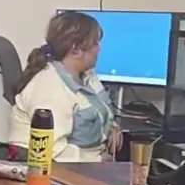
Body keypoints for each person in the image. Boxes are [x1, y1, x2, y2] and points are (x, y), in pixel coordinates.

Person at [8, 11, 121, 162]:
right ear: (76, 49)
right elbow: (54, 151)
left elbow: (101, 107)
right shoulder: (49, 88)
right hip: (53, 167)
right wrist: (99, 160)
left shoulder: (87, 76)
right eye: (95, 44)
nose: (99, 50)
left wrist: (110, 127)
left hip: (86, 163)